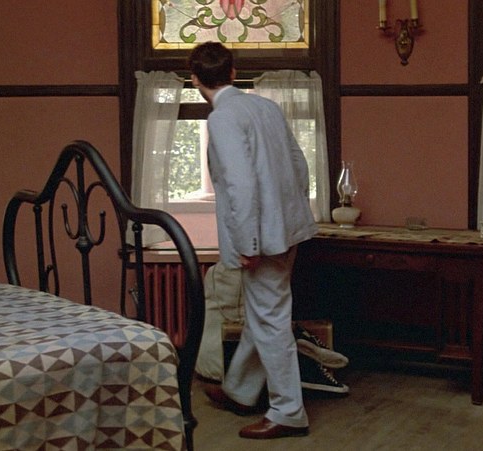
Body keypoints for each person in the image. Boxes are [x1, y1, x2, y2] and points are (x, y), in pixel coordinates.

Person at [188, 41, 318, 440]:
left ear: (195, 80)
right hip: (287, 230)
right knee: (264, 314)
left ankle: (288, 411)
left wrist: (248, 243)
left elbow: (240, 185)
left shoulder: (223, 118)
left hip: (261, 237)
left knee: (269, 319)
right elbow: (298, 165)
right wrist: (291, 217)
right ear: (232, 72)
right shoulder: (266, 107)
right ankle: (241, 391)